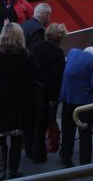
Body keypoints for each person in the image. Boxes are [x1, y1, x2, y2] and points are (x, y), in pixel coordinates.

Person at [0, 22, 40, 180]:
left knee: (0, 137)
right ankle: (14, 172)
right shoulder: (27, 55)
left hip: (0, 103)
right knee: (16, 139)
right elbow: (36, 76)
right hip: (20, 104)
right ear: (20, 37)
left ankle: (1, 172)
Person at [59, 47, 93, 167]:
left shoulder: (72, 52)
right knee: (85, 132)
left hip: (67, 98)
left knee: (67, 130)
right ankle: (85, 161)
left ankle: (66, 158)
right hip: (83, 103)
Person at [24, 22, 67, 163]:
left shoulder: (35, 46)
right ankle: (39, 154)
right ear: (59, 38)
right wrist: (54, 99)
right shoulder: (58, 53)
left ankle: (29, 150)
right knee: (41, 124)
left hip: (30, 90)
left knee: (30, 121)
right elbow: (56, 78)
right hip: (45, 94)